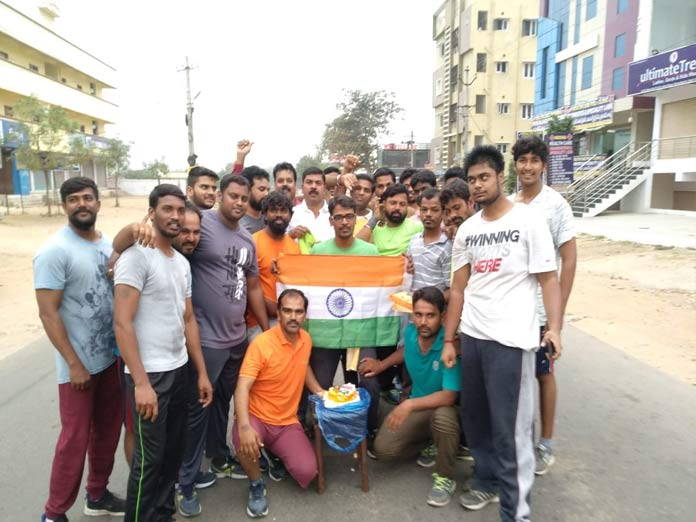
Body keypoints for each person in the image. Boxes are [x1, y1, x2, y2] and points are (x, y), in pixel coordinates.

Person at [441, 145, 562, 522]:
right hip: (474, 339)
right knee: (476, 420)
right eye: (472, 179)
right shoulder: (467, 231)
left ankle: (515, 512)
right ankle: (488, 480)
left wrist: (555, 327)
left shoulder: (528, 220)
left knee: (511, 433)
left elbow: (548, 278)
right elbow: (459, 289)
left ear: (499, 178)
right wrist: (449, 339)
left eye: (484, 177)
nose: (478, 185)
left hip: (512, 342)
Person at [114, 184, 213, 522]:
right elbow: (122, 323)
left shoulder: (181, 264)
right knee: (148, 462)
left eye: (179, 210)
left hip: (180, 370)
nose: (174, 216)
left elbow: (188, 320)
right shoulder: (136, 256)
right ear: (152, 211)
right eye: (167, 209)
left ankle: (163, 514)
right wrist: (141, 383)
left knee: (173, 454)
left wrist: (200, 372)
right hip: (150, 375)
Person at [176, 174, 270, 516]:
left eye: (244, 198)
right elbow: (171, 240)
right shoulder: (202, 223)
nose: (239, 202)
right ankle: (185, 483)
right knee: (198, 409)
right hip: (207, 339)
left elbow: (254, 288)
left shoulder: (248, 238)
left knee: (222, 403)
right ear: (220, 196)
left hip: (236, 339)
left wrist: (264, 328)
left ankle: (218, 456)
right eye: (233, 196)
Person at [35, 177, 125, 522]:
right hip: (77, 368)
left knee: (107, 433)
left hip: (110, 360)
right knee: (73, 442)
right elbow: (48, 311)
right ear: (65, 206)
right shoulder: (54, 250)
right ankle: (53, 513)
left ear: (98, 203)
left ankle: (97, 494)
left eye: (88, 198)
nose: (82, 204)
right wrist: (73, 364)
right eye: (74, 199)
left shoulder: (106, 245)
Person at [511, 136, 577, 475]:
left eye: (534, 160)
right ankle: (518, 438)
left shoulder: (556, 205)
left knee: (543, 374)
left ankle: (546, 442)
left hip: (540, 312)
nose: (528, 167)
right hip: (512, 310)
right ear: (515, 164)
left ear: (543, 165)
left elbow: (569, 258)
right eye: (522, 160)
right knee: (514, 378)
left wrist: (556, 319)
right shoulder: (507, 204)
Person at [366, 287, 461, 508]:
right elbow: (406, 350)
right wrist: (381, 365)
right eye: (418, 315)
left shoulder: (451, 347)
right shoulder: (410, 333)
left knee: (443, 418)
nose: (423, 322)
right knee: (384, 450)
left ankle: (445, 476)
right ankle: (429, 441)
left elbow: (448, 396)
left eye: (430, 315)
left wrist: (408, 404)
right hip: (419, 409)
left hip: (444, 409)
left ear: (443, 316)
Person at [233, 289, 324, 518]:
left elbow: (304, 368)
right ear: (279, 313)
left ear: (305, 315)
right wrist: (244, 426)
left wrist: (321, 392)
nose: (293, 316)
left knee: (307, 472)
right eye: (287, 311)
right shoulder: (261, 344)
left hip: (286, 422)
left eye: (298, 311)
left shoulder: (306, 340)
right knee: (244, 441)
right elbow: (242, 387)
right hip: (257, 417)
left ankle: (272, 453)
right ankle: (256, 485)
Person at [307, 195, 381, 433]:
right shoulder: (318, 251)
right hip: (326, 332)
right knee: (319, 383)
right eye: (338, 217)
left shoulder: (370, 252)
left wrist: (405, 269)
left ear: (355, 219)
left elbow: (382, 286)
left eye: (349, 217)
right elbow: (305, 283)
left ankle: (367, 430)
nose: (344, 222)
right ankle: (320, 430)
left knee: (368, 379)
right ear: (331, 221)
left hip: (359, 331)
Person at [247, 191, 300, 340]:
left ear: (290, 215)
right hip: (258, 324)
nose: (278, 215)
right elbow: (248, 286)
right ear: (264, 214)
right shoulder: (252, 242)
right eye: (273, 210)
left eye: (283, 210)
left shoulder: (294, 247)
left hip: (289, 321)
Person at [407, 188, 451, 298]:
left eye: (434, 210)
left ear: (443, 213)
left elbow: (452, 289)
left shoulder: (448, 246)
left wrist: (432, 303)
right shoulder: (413, 241)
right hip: (410, 308)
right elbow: (408, 275)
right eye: (424, 209)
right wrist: (407, 270)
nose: (428, 214)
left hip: (434, 311)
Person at [358, 183, 423, 256]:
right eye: (393, 203)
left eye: (402, 204)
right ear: (384, 204)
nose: (397, 208)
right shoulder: (373, 227)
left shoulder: (417, 227)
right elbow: (355, 249)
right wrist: (375, 218)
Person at [287, 167, 333, 251]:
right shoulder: (292, 213)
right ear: (302, 187)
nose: (313, 186)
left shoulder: (334, 214)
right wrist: (291, 235)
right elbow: (280, 242)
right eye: (309, 182)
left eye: (318, 183)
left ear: (324, 188)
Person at [240, 166, 271, 234]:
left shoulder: (270, 218)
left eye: (268, 190)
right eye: (261, 189)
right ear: (247, 190)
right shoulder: (237, 223)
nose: (266, 194)